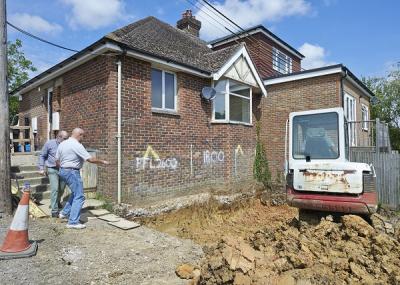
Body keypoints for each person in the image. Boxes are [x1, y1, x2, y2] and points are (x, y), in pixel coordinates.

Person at [56, 128, 109, 229]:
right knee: (80, 197)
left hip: (63, 171)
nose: (83, 138)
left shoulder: (62, 143)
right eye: (83, 136)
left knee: (75, 193)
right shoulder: (77, 145)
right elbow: (90, 159)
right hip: (72, 172)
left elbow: (57, 160)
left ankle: (64, 212)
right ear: (79, 135)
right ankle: (72, 222)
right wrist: (103, 162)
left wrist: (63, 169)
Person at [38, 130, 69, 217]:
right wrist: (41, 168)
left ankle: (57, 201)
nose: (67, 140)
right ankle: (54, 210)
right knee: (55, 188)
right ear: (59, 137)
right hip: (52, 169)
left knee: (61, 189)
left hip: (63, 169)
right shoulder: (49, 144)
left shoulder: (67, 145)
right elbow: (42, 155)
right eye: (65, 138)